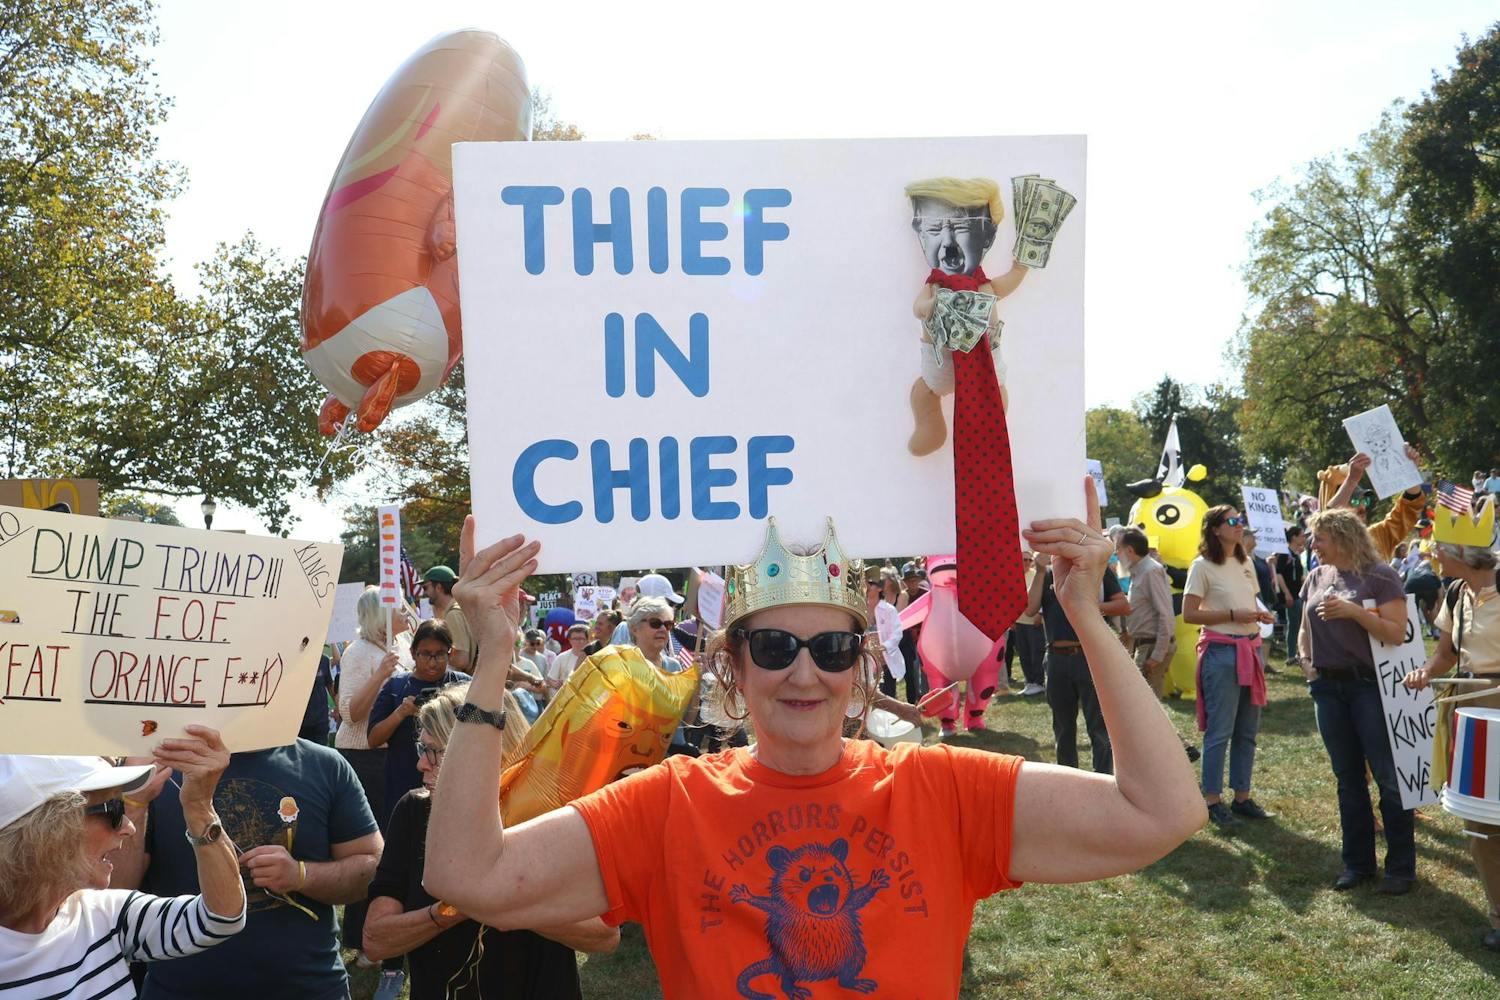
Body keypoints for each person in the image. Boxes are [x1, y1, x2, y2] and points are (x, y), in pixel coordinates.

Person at [423, 494, 1204, 999]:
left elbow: (1163, 811)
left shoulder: (941, 790)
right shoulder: (668, 805)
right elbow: (465, 875)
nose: (804, 673)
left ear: (860, 666)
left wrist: (1086, 615)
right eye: (774, 648)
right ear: (733, 666)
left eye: (830, 650)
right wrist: (492, 659)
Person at [364, 683, 616, 998]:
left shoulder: (552, 816)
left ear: (484, 756)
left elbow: (605, 935)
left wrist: (499, 899)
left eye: (435, 752)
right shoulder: (414, 812)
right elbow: (376, 941)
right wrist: (449, 911)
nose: (421, 764)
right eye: (422, 749)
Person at [114, 730, 383, 1000]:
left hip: (308, 987)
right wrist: (134, 803)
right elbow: (113, 894)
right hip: (179, 989)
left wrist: (301, 875)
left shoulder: (324, 765)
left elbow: (371, 868)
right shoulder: (157, 769)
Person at [0, 737, 245, 998]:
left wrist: (200, 807)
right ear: (44, 831)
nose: (128, 827)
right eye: (114, 810)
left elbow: (221, 918)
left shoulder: (102, 914)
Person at [1295, 508, 1413, 893]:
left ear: (1343, 537)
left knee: (1388, 778)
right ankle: (1358, 865)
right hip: (1327, 689)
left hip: (1368, 687)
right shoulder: (1316, 576)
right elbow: (1304, 627)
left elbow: (1396, 633)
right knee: (1348, 779)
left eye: (1319, 538)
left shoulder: (1380, 576)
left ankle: (1400, 869)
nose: (1313, 544)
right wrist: (1306, 662)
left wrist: (1354, 613)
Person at [1404, 537, 1500, 947]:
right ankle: (1499, 916)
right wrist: (1425, 672)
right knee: (1480, 820)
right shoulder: (1458, 592)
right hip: (1469, 709)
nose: (1432, 555)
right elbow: (1446, 654)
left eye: (1439, 548)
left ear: (1464, 552)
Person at [1182, 504, 1276, 827]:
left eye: (1241, 520)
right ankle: (1211, 800)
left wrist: (1259, 615)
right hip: (1221, 653)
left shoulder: (1245, 561)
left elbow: (1249, 602)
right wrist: (1233, 616)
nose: (1239, 525)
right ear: (1215, 529)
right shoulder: (1201, 566)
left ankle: (1242, 797)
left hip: (1250, 648)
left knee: (1247, 730)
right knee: (1220, 731)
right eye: (1232, 521)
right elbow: (1189, 614)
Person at [334, 587, 399, 963]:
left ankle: (379, 930)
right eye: (398, 607)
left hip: (390, 756)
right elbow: (350, 713)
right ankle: (363, 939)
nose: (405, 612)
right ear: (380, 614)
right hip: (364, 759)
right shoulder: (359, 653)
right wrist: (382, 675)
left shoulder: (395, 648)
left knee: (390, 847)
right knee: (371, 849)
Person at [1025, 547, 1129, 773]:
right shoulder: (1048, 573)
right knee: (1063, 729)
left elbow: (1123, 605)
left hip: (1090, 656)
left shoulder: (1097, 569)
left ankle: (1103, 781)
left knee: (1099, 728)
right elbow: (1030, 609)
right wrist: (1040, 570)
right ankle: (1070, 780)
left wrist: (1087, 607)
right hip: (1056, 658)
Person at [369, 620, 471, 830]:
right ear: (413, 653)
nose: (432, 662)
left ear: (450, 653)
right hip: (403, 786)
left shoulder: (463, 685)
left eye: (440, 654)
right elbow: (373, 739)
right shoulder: (396, 687)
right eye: (425, 654)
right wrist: (401, 713)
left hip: (454, 786)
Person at [1325, 450, 1429, 560]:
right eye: (1354, 501)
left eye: (1364, 501)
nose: (1362, 507)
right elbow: (1328, 522)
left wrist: (1409, 472)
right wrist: (1351, 480)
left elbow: (1408, 508)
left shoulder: (1377, 536)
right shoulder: (1324, 545)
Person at [1116, 527, 1175, 698]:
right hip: (1146, 645)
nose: (1115, 553)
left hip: (1152, 646)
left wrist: (1157, 655)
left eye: (1118, 548)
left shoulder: (1150, 571)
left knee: (1145, 702)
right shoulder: (1140, 570)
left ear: (1129, 550)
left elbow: (1165, 613)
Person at [865, 568, 910, 703]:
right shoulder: (860, 608)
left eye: (871, 584)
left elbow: (897, 633)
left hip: (885, 660)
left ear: (879, 588)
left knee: (888, 695)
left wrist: (885, 646)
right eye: (865, 584)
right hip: (866, 660)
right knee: (870, 696)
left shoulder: (889, 610)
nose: (867, 587)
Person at [423, 566, 474, 669]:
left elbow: (461, 660)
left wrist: (432, 657)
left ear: (438, 587)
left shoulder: (453, 614)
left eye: (426, 588)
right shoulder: (460, 607)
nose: (424, 593)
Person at [1272, 527, 1308, 667]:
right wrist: (1286, 593)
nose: (1304, 538)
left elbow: (1298, 576)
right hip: (1291, 596)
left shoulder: (1295, 554)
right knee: (1294, 625)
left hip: (1298, 594)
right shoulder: (1284, 554)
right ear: (1294, 537)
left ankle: (1298, 654)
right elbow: (1278, 574)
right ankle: (1292, 656)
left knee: (1298, 624)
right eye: (1302, 536)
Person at [547, 623, 591, 692]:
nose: (580, 641)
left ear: (588, 639)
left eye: (582, 638)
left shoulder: (593, 656)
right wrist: (555, 684)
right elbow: (550, 679)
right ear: (570, 640)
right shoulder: (561, 658)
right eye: (575, 639)